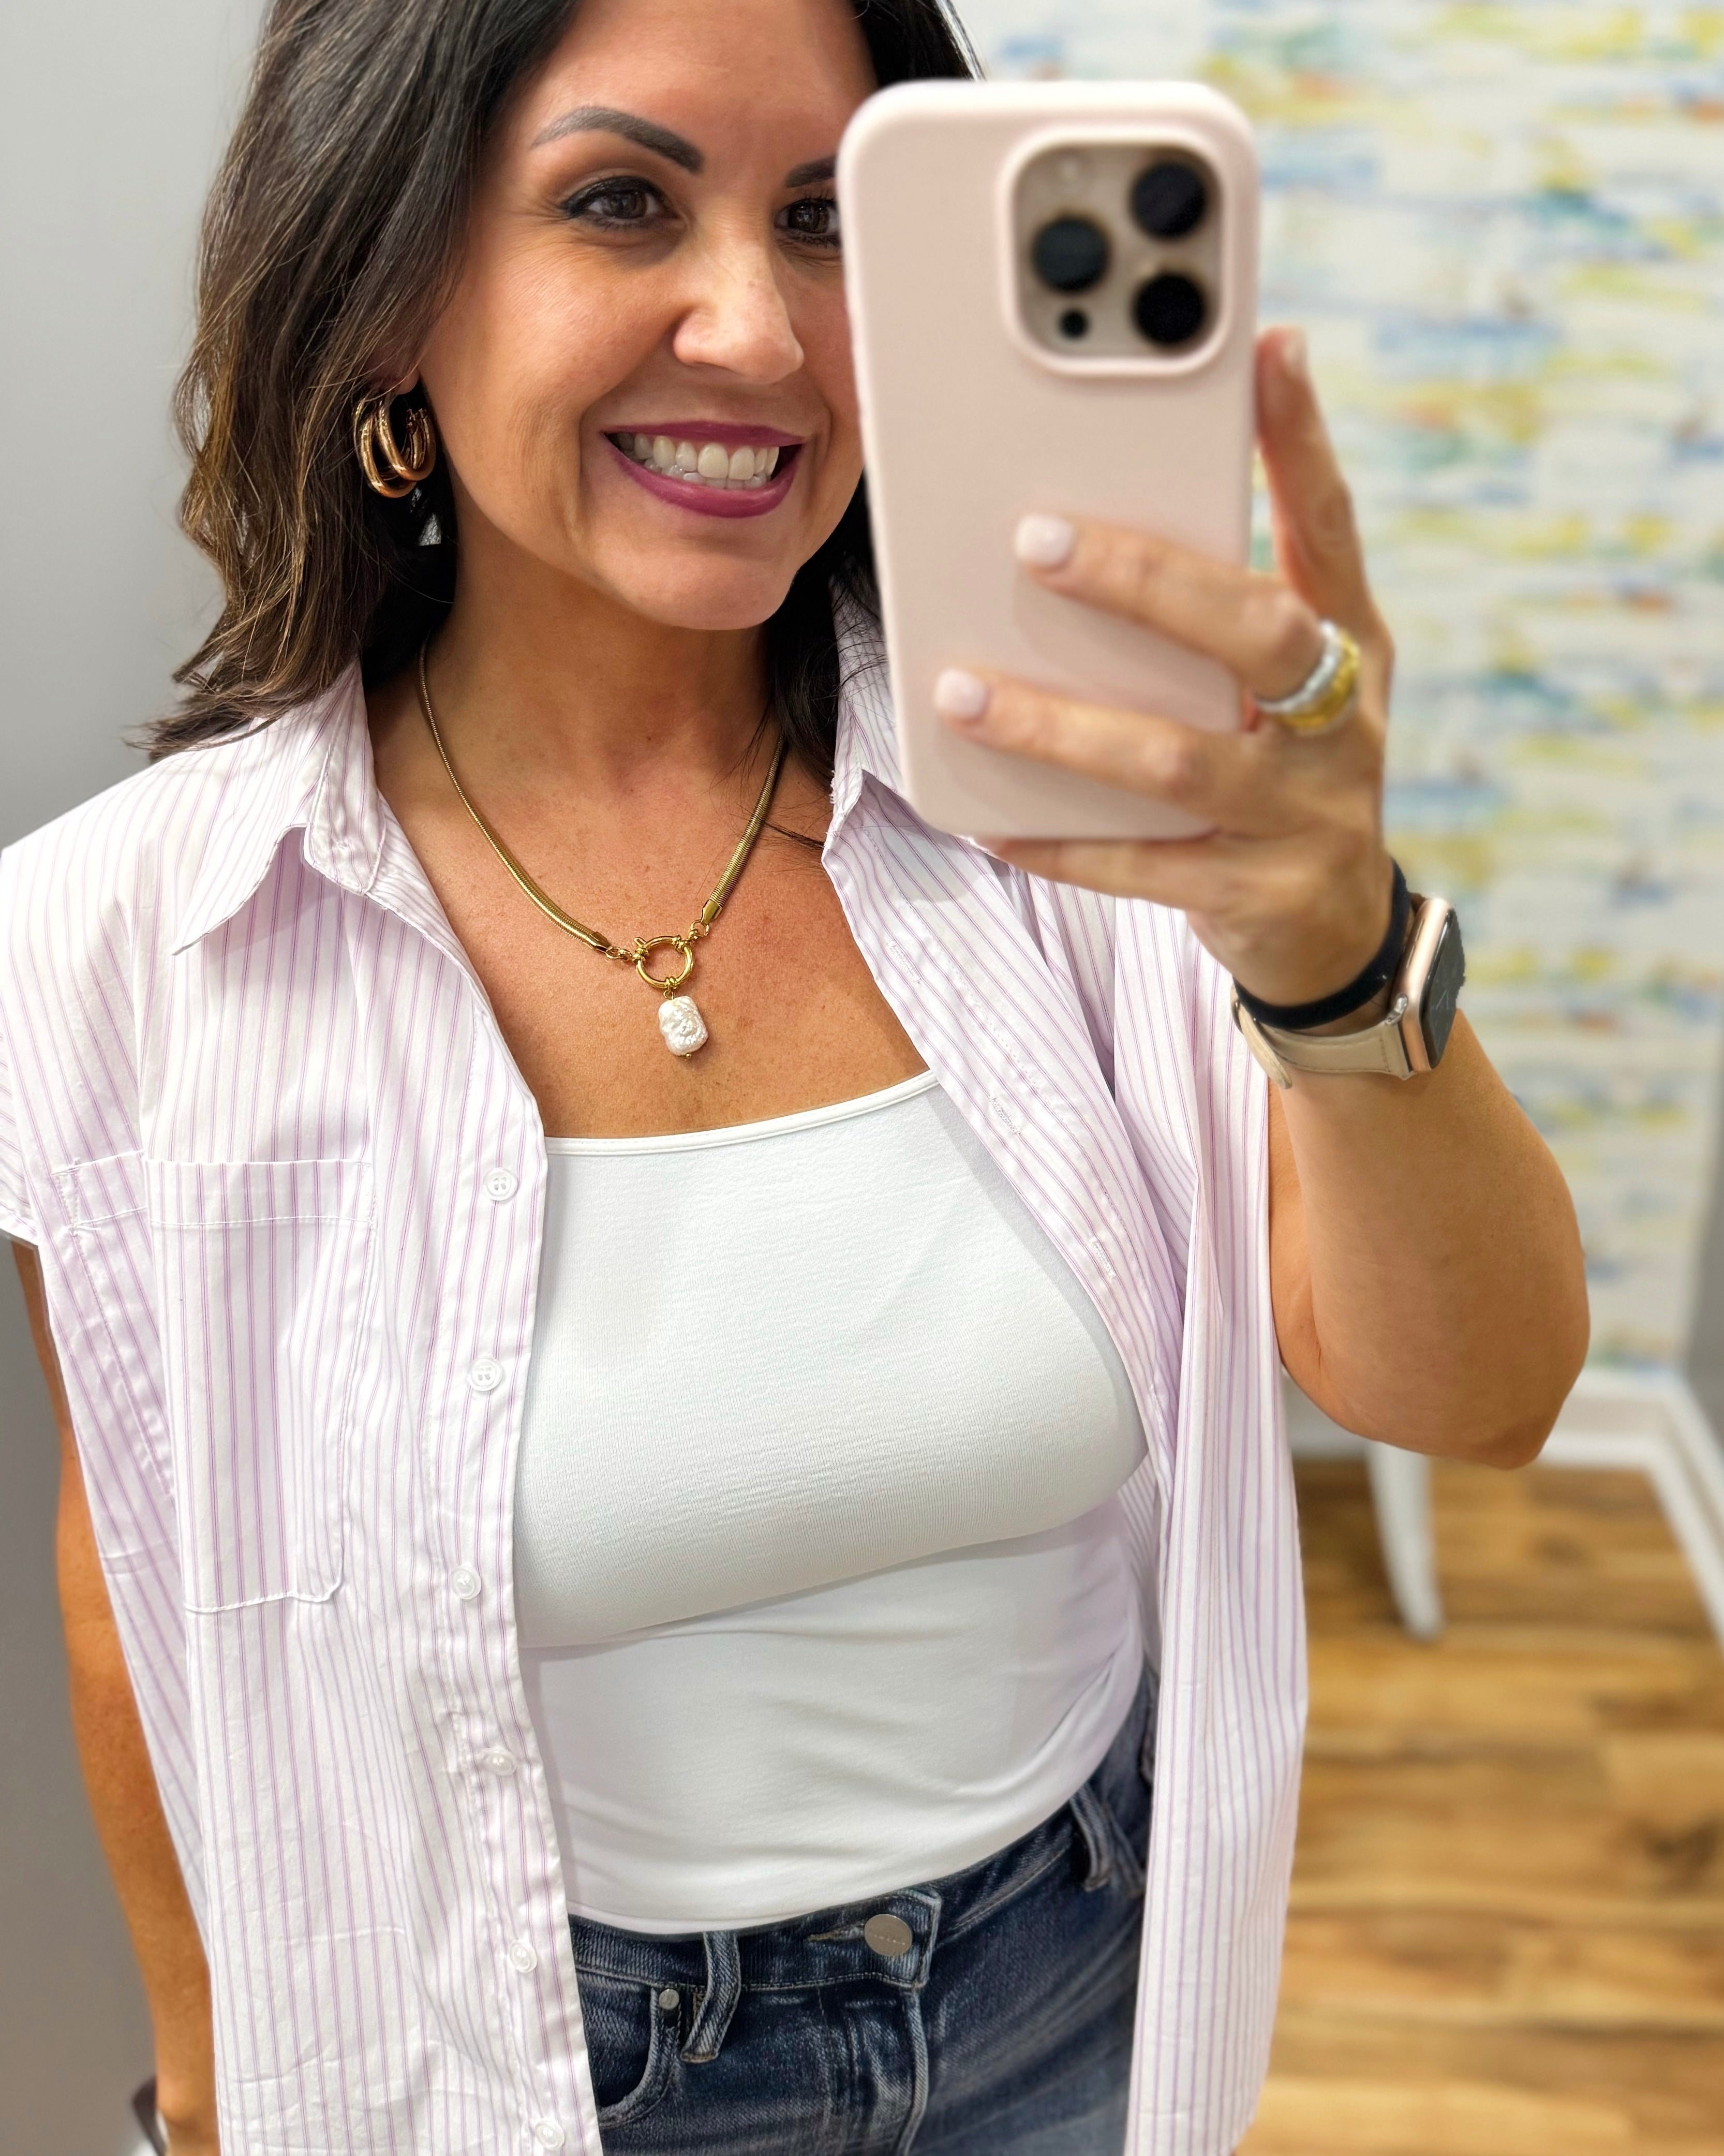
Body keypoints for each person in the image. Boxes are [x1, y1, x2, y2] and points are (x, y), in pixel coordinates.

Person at [1, 0, 1588, 2150]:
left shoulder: (1085, 838)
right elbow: (145, 1581)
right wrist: (197, 2095)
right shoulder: (130, 948)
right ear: (388, 290)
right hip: (519, 2068)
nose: (756, 332)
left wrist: (1329, 953)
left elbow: (1474, 1397)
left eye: (830, 220)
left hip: (1074, 1995)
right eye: (621, 201)